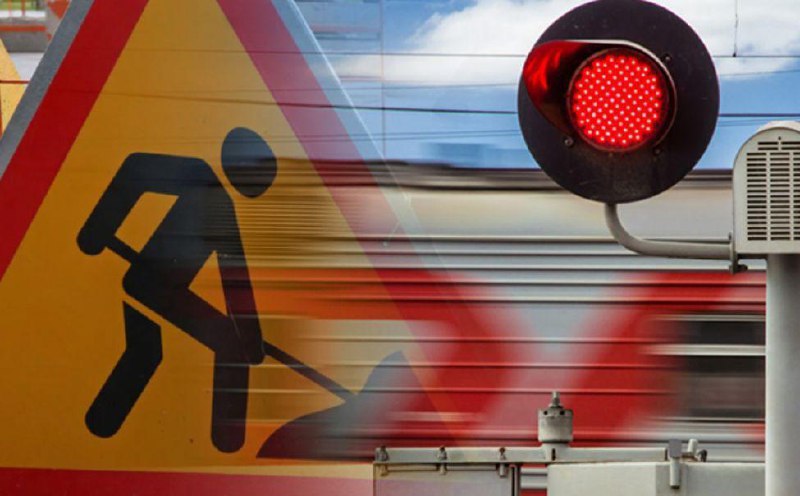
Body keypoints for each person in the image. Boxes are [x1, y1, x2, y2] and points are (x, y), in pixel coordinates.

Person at [77, 127, 276, 453]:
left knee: (148, 349)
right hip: (154, 283)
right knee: (224, 343)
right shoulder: (200, 179)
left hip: (160, 287)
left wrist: (94, 234)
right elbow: (136, 170)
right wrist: (95, 233)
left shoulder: (216, 198)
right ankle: (226, 441)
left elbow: (235, 283)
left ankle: (101, 426)